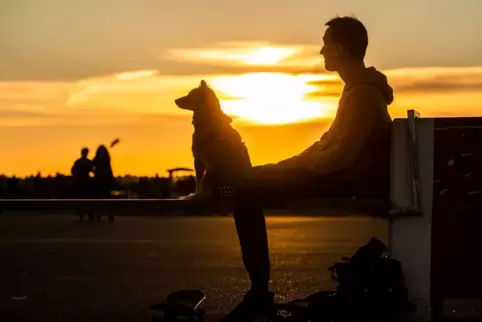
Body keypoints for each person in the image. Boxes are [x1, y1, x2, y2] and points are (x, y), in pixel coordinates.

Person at [218, 16, 394, 322]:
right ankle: (256, 289)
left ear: (339, 48)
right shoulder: (357, 90)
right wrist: (278, 168)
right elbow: (324, 147)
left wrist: (283, 171)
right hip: (339, 176)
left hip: (345, 181)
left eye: (325, 45)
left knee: (244, 192)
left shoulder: (363, 95)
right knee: (246, 183)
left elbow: (338, 159)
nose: (322, 52)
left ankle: (259, 294)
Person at [92, 145, 116, 222]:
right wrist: (95, 172)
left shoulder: (106, 159)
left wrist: (111, 179)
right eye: (100, 151)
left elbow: (109, 169)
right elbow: (91, 166)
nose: (101, 152)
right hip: (99, 181)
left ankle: (110, 214)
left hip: (106, 181)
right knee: (99, 198)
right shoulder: (97, 159)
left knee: (107, 199)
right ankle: (99, 215)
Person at [71, 147, 94, 220]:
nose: (85, 154)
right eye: (84, 152)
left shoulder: (88, 161)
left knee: (88, 199)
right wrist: (77, 175)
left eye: (86, 152)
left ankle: (89, 215)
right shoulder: (78, 162)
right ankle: (81, 214)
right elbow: (73, 170)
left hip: (86, 182)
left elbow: (92, 169)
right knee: (81, 199)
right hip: (80, 182)